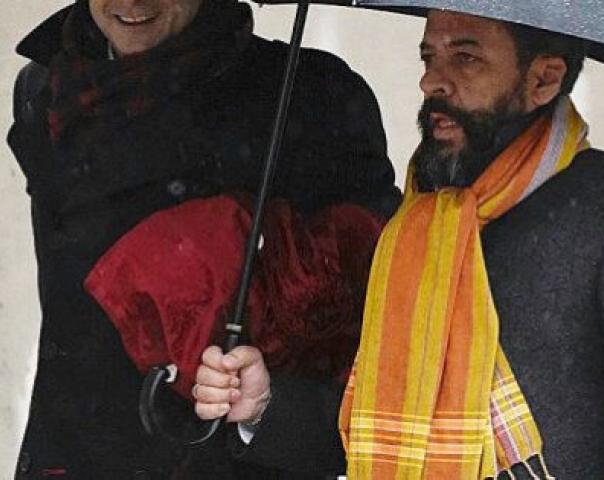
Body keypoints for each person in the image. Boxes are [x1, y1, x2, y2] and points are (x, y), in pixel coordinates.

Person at [195, 9, 604, 479]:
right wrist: (264, 405)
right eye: (429, 57)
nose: (431, 81)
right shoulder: (420, 223)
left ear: (543, 79)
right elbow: (379, 426)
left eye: (465, 58)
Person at [8, 0, 400, 478]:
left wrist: (262, 395)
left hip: (219, 459)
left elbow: (372, 300)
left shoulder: (306, 92)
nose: (133, 2)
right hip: (73, 453)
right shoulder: (47, 89)